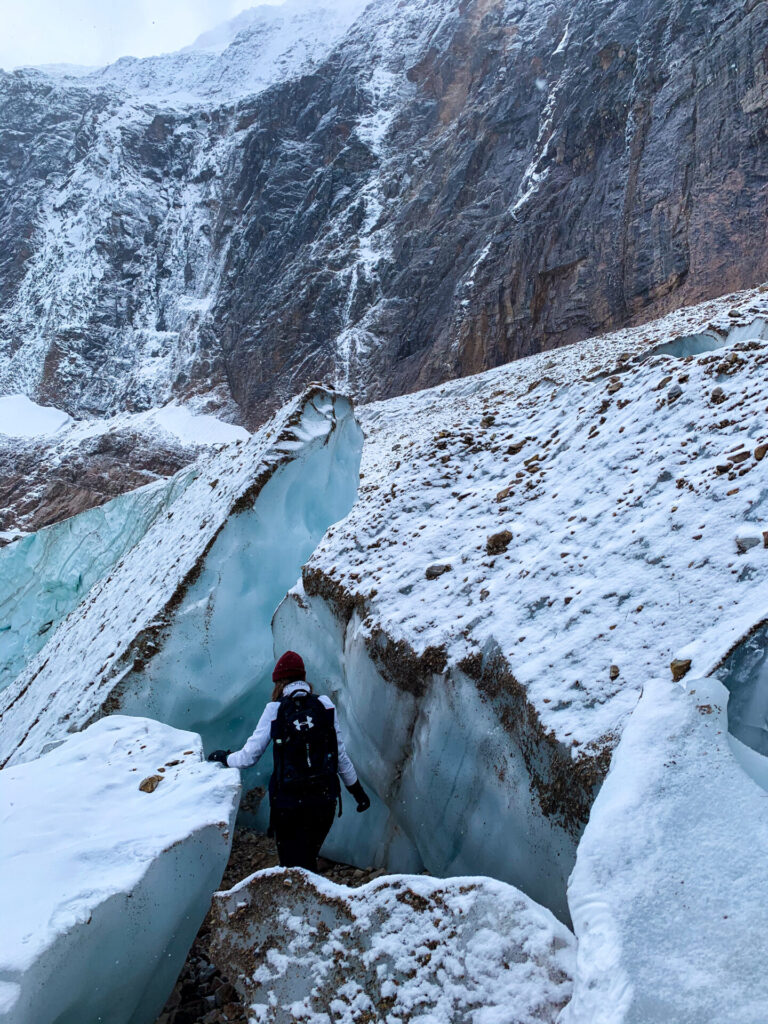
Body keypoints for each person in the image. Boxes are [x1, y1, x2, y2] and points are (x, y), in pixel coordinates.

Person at [208, 650, 370, 871]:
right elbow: (340, 756)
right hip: (324, 800)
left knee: (291, 867)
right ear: (303, 678)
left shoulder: (275, 709)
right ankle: (314, 897)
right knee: (308, 859)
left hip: (289, 804)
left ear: (279, 682)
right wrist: (357, 792)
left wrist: (224, 757)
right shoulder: (324, 705)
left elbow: (249, 756)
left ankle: (300, 900)